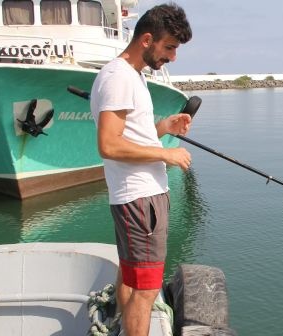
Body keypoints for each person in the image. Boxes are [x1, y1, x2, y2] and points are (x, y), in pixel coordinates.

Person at [89, 3, 192, 335]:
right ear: (147, 39)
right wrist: (166, 155)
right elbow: (109, 144)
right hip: (140, 201)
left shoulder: (130, 76)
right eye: (170, 47)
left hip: (137, 199)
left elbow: (130, 133)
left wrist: (164, 127)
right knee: (146, 290)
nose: (173, 57)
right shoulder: (120, 77)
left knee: (132, 279)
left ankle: (120, 323)